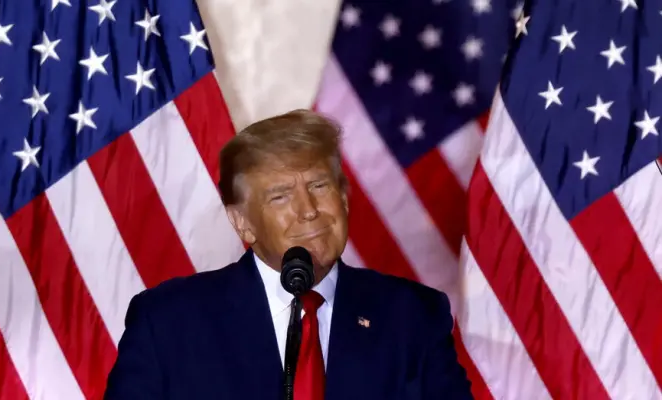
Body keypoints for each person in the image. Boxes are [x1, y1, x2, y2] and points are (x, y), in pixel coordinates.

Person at [104, 109, 474, 399]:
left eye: (319, 185)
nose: (308, 210)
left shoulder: (413, 316)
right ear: (242, 223)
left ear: (344, 199)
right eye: (280, 196)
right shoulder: (168, 323)